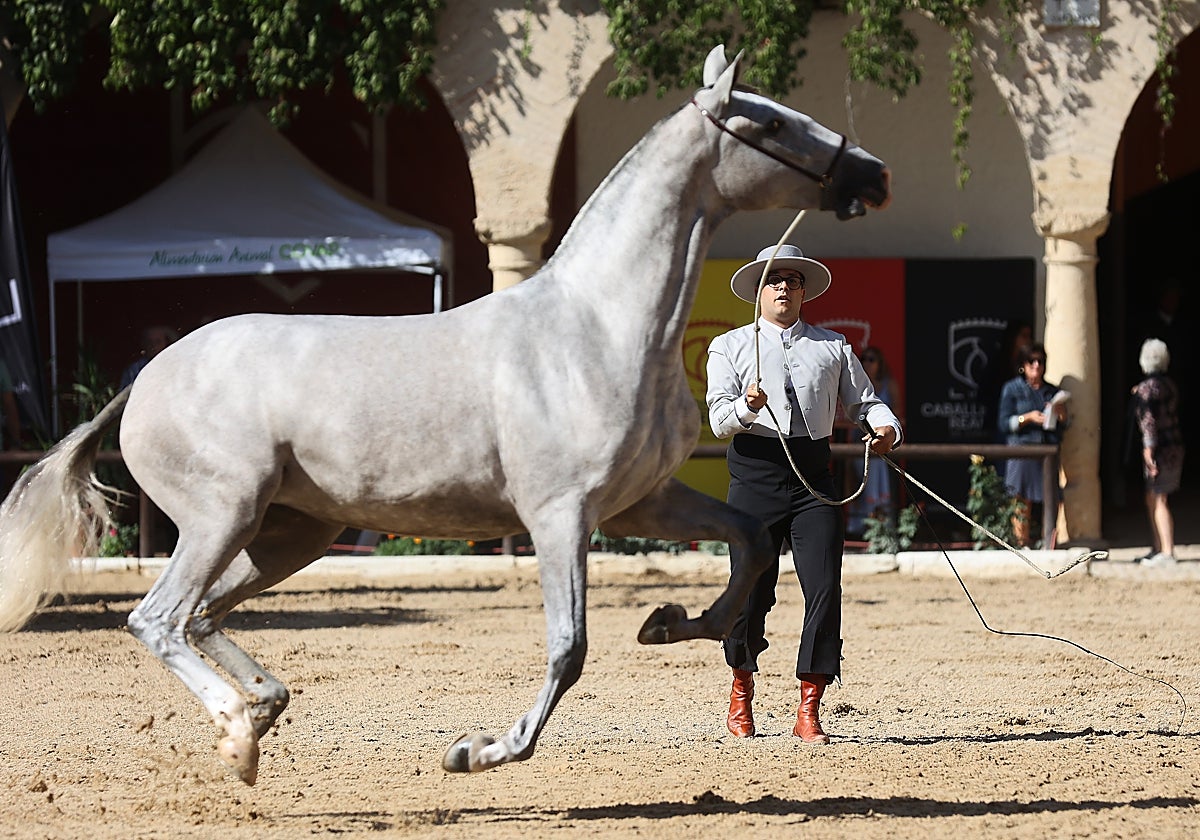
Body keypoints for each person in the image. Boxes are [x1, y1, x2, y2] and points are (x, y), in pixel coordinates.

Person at [705, 244, 901, 744]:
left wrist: (884, 430)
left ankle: (810, 703)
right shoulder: (727, 347)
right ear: (757, 292)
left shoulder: (833, 346)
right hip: (754, 474)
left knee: (824, 588)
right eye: (773, 280)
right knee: (749, 591)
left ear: (804, 291)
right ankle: (741, 687)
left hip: (815, 477)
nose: (783, 287)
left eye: (792, 280)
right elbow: (718, 420)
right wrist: (747, 407)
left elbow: (866, 402)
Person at [998, 342, 1069, 547]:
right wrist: (1027, 418)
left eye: (1040, 361)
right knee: (1021, 499)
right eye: (1031, 361)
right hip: (1021, 450)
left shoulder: (1053, 391)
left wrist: (1061, 415)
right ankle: (1021, 543)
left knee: (1053, 498)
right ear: (1023, 364)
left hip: (1047, 450)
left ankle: (1050, 542)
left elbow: (1066, 425)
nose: (1036, 365)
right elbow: (1004, 423)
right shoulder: (1011, 389)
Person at [1130, 338, 1184, 566]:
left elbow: (1149, 421)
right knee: (1152, 496)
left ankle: (1167, 551)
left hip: (1160, 449)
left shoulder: (1146, 389)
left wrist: (1148, 449)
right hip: (1174, 444)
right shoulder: (1169, 385)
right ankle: (1159, 547)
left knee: (1159, 497)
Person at [847, 346, 899, 536]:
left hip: (881, 443)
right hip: (858, 443)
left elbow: (898, 415)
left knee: (879, 483)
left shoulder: (889, 385)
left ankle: (882, 526)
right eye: (864, 359)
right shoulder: (853, 385)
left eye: (871, 359)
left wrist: (886, 430)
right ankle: (859, 525)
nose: (867, 363)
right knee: (856, 482)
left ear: (880, 363)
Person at [119, 325, 179, 389]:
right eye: (149, 342)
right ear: (144, 344)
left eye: (158, 342)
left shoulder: (173, 364)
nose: (153, 346)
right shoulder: (133, 370)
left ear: (165, 343)